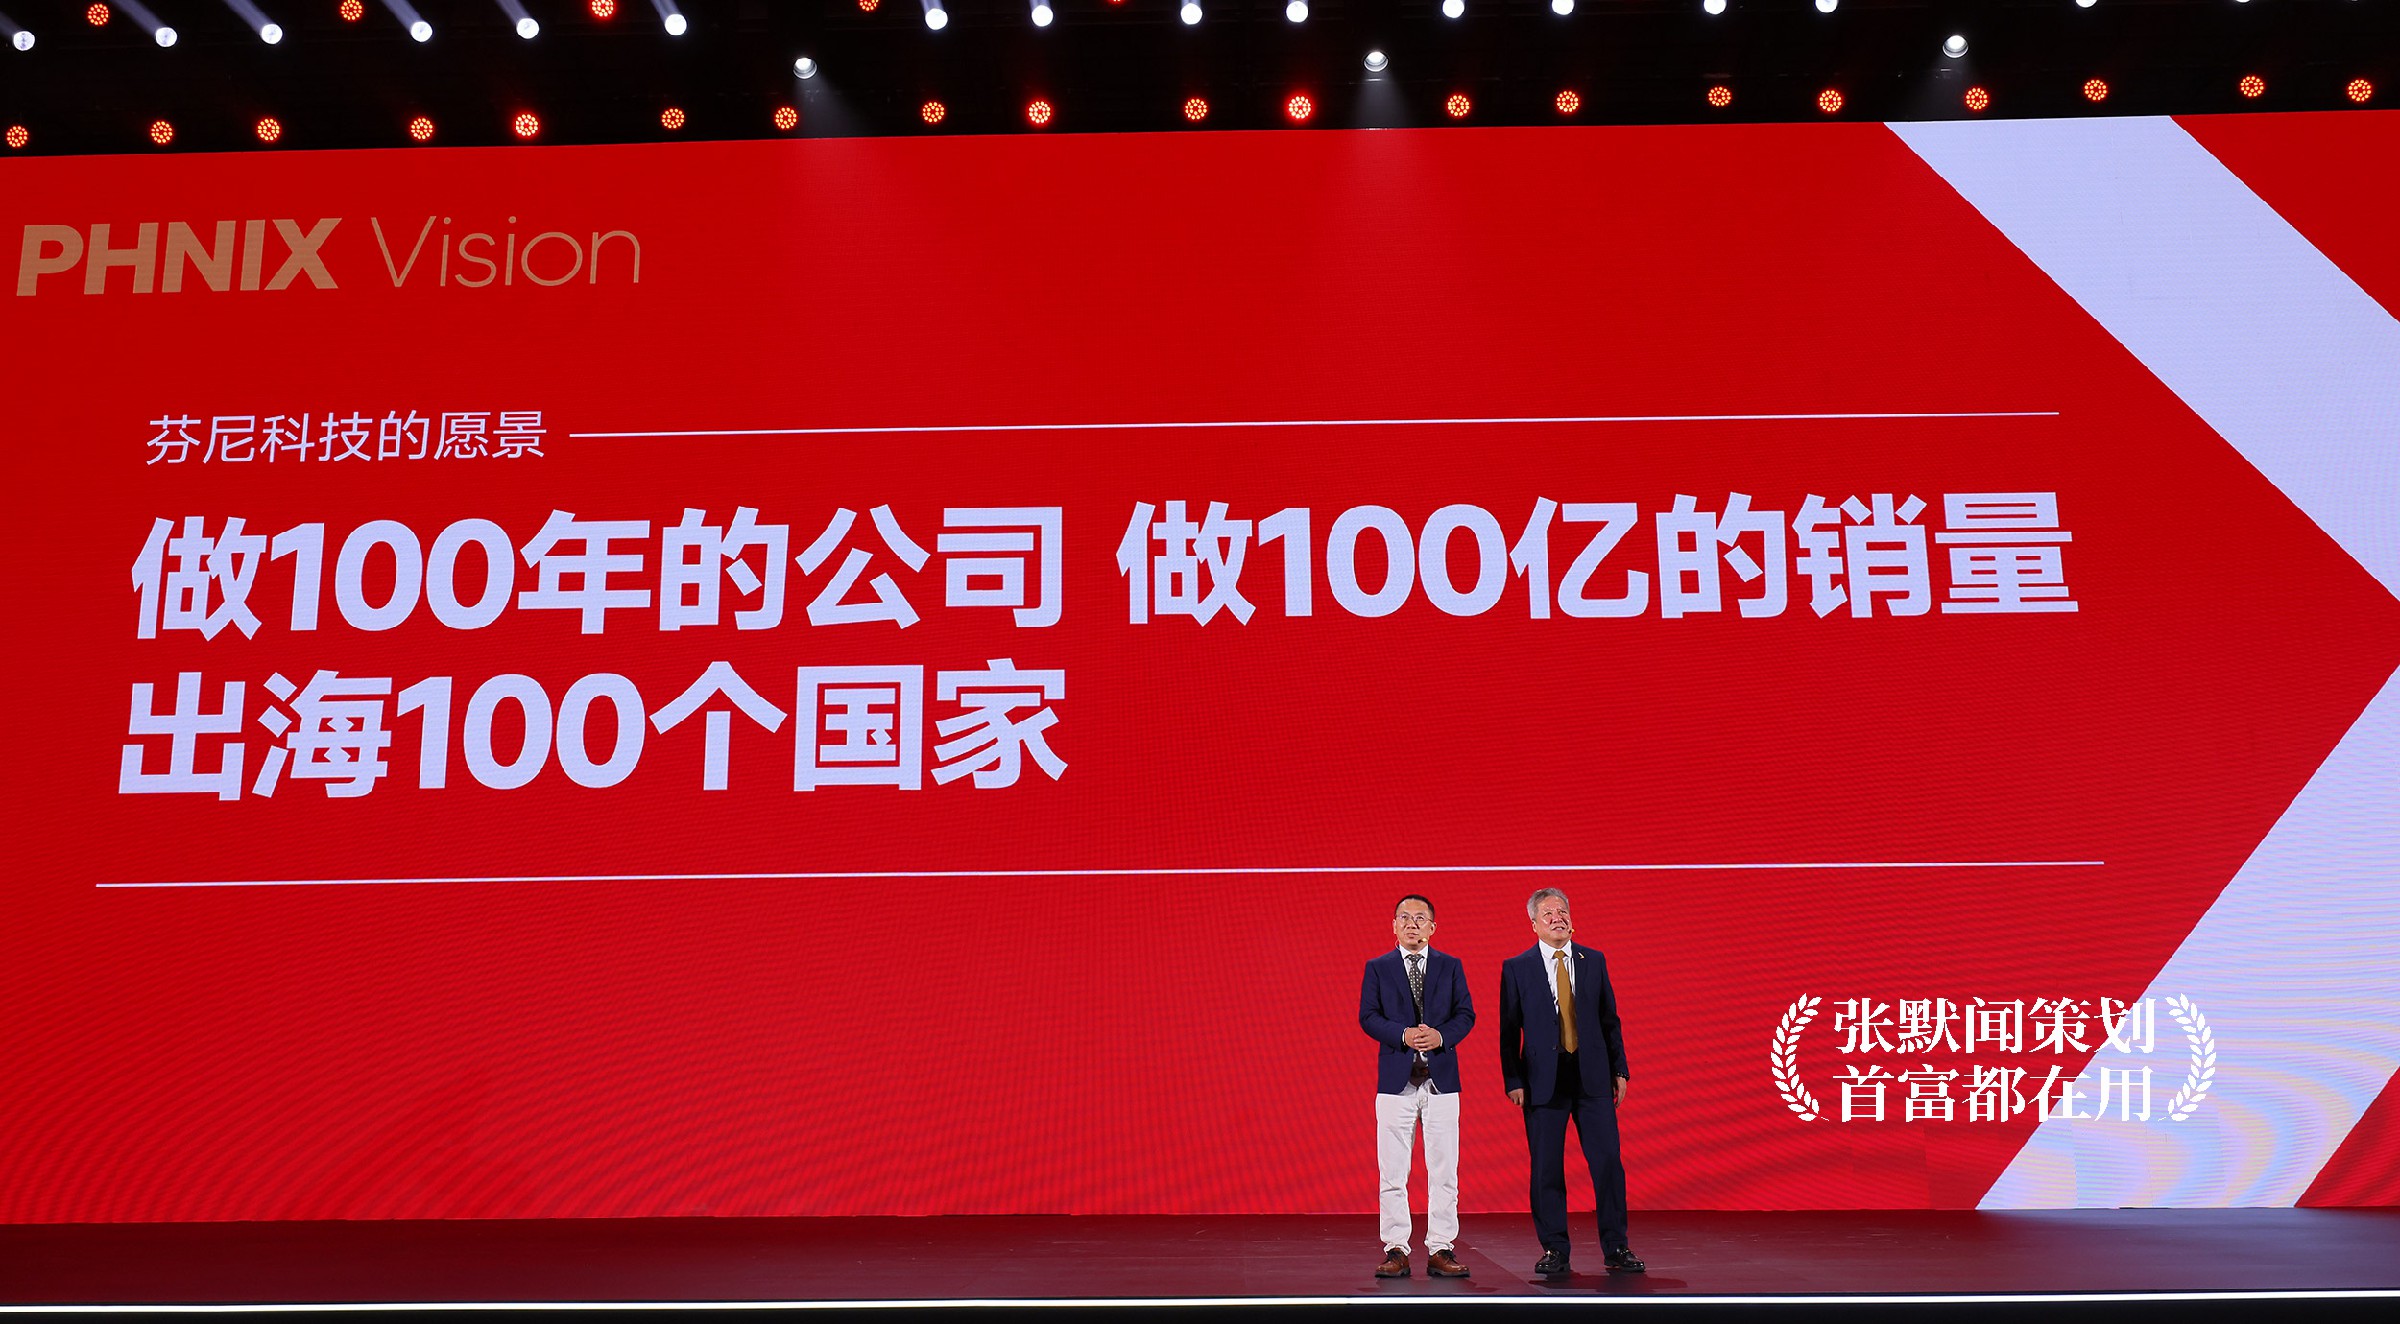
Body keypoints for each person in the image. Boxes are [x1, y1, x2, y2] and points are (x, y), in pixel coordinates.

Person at [1498, 887, 1644, 1277]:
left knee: (1608, 1163)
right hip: (1541, 1082)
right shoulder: (1517, 967)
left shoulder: (1593, 960)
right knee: (1546, 1168)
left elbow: (1610, 1020)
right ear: (1533, 923)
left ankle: (1617, 1246)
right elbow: (1509, 1031)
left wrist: (1620, 1069)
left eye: (1562, 911)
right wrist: (1513, 1079)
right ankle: (1555, 1249)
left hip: (1593, 1078)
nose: (1557, 918)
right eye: (1548, 913)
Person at [1359, 894, 1475, 1279]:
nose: (1412, 924)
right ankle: (1396, 1249)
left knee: (1444, 1171)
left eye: (1420, 918)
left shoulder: (1450, 966)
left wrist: (1441, 1036)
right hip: (1396, 1084)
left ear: (1432, 927)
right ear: (1393, 925)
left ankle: (1441, 1247)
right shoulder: (1378, 967)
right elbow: (1368, 1016)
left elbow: (1466, 1014)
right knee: (1392, 1171)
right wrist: (1403, 1035)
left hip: (1442, 1082)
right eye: (1404, 918)